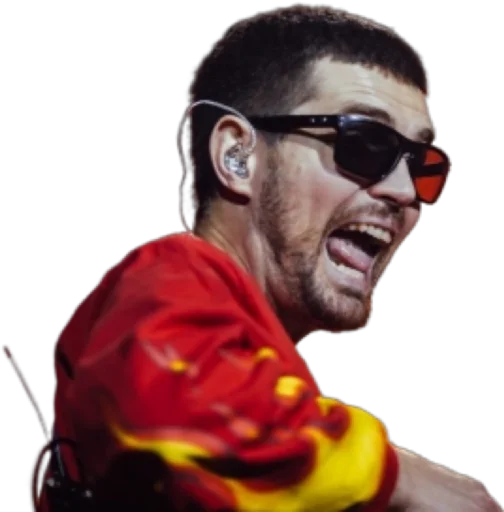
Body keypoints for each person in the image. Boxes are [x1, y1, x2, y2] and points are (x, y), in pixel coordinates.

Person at [42, 5, 500, 512]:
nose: (404, 192)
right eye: (365, 143)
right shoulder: (171, 273)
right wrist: (401, 477)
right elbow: (170, 414)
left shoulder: (268, 384)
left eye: (422, 166)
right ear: (237, 157)